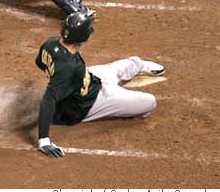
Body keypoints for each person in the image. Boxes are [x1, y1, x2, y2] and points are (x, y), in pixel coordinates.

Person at [35, 11, 165, 158]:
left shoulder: (50, 43)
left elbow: (40, 62)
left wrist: (56, 74)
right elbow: (48, 99)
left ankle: (138, 65)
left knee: (132, 62)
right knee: (150, 102)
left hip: (91, 78)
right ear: (84, 38)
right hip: (87, 104)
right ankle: (121, 99)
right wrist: (44, 140)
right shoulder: (68, 68)